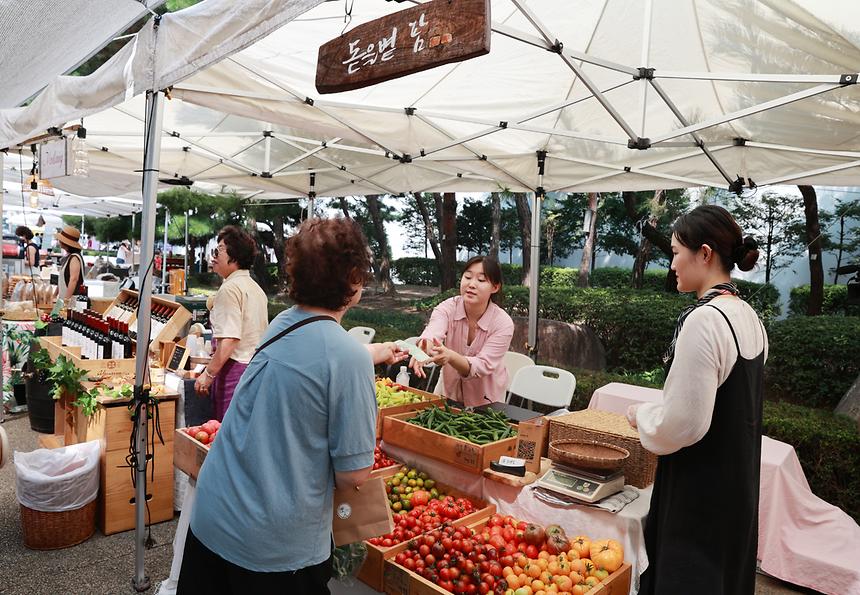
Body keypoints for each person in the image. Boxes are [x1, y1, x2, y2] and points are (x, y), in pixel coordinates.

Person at [177, 217, 407, 594]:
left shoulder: (283, 322)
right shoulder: (347, 359)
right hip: (271, 544)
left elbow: (316, 354)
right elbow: (354, 474)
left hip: (213, 517)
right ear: (353, 278)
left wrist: (375, 352)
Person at [627, 205, 768, 595]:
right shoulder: (748, 316)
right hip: (737, 487)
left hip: (700, 492)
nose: (671, 264)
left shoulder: (705, 320)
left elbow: (684, 424)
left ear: (704, 253)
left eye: (675, 252)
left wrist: (641, 416)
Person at [409, 255, 514, 406]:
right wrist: (423, 348)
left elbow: (482, 365)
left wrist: (450, 356)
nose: (471, 284)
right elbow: (433, 332)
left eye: (481, 280)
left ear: (495, 287)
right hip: (448, 392)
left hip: (487, 401)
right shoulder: (447, 307)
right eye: (468, 277)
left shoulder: (503, 323)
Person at [193, 226, 268, 421]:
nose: (213, 256)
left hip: (234, 371)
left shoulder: (230, 289)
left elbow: (230, 339)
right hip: (255, 368)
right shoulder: (255, 288)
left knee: (225, 431)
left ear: (234, 256)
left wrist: (208, 374)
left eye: (219, 250)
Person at [56, 225, 84, 302]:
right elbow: (62, 280)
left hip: (72, 300)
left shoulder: (74, 258)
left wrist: (66, 300)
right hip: (64, 299)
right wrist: (55, 294)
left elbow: (73, 279)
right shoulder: (69, 257)